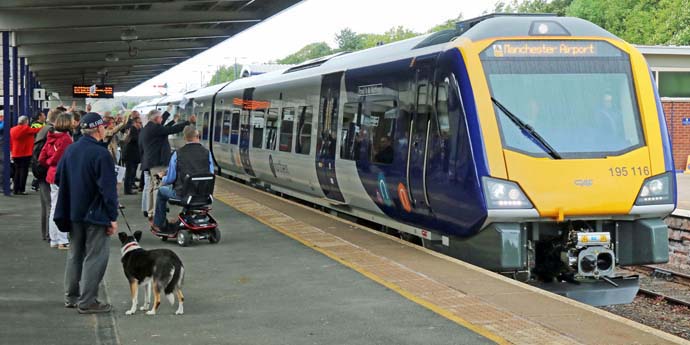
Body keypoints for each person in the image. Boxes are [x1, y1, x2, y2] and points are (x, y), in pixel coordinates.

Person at [53, 112, 118, 314]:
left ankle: (72, 297)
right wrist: (112, 217)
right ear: (99, 129)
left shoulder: (71, 149)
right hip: (96, 215)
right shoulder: (101, 154)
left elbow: (57, 178)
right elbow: (108, 190)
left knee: (75, 254)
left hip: (73, 212)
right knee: (95, 256)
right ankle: (88, 301)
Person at [152, 126, 213, 232]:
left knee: (162, 192)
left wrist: (162, 178)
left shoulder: (177, 154)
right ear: (198, 136)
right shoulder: (207, 153)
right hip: (204, 195)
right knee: (188, 191)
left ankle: (159, 224)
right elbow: (211, 174)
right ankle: (185, 219)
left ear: (185, 138)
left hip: (183, 195)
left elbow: (171, 178)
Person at [139, 109, 195, 221]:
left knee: (151, 188)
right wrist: (187, 122)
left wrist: (173, 120)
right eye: (161, 118)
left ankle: (151, 212)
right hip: (157, 163)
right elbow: (171, 130)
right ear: (156, 119)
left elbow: (165, 129)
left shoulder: (148, 128)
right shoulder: (155, 128)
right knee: (158, 188)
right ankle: (156, 212)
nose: (162, 119)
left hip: (150, 162)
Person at [39, 113, 73, 250]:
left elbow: (42, 157)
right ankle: (62, 239)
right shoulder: (66, 139)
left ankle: (54, 239)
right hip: (62, 175)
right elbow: (61, 158)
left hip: (51, 174)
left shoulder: (51, 136)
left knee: (54, 207)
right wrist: (53, 162)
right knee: (63, 207)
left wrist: (49, 163)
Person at [33, 109, 62, 241]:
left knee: (45, 204)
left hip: (39, 170)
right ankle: (52, 234)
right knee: (51, 204)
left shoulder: (43, 129)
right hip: (46, 170)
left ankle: (46, 232)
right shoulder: (51, 131)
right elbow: (50, 153)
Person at [10, 115, 41, 195]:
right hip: (25, 154)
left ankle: (15, 189)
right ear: (26, 122)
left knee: (17, 171)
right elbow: (37, 130)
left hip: (15, 153)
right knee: (24, 172)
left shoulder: (12, 130)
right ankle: (21, 189)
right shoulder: (26, 129)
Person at [122, 111, 142, 195]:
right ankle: (127, 190)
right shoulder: (132, 129)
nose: (140, 124)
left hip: (132, 155)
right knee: (129, 172)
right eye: (139, 123)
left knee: (131, 172)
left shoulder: (135, 129)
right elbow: (136, 140)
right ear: (135, 122)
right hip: (130, 155)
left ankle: (130, 187)